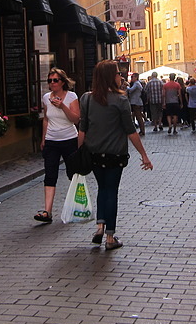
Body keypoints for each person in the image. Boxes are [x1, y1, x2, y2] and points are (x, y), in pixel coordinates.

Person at [78, 60, 153, 250]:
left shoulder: (86, 98)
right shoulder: (120, 100)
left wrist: (78, 155)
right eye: (118, 73)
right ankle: (110, 237)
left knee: (102, 189)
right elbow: (130, 131)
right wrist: (144, 155)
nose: (121, 76)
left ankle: (99, 227)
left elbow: (82, 130)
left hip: (94, 153)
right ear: (111, 77)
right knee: (111, 191)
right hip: (114, 154)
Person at [35, 68, 80, 223]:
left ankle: (76, 207)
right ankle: (47, 211)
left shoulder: (71, 96)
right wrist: (43, 139)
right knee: (50, 174)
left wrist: (63, 107)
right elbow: (46, 119)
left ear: (63, 82)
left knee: (73, 174)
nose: (52, 83)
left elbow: (76, 119)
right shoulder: (46, 97)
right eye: (50, 80)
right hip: (51, 141)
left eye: (55, 80)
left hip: (69, 139)